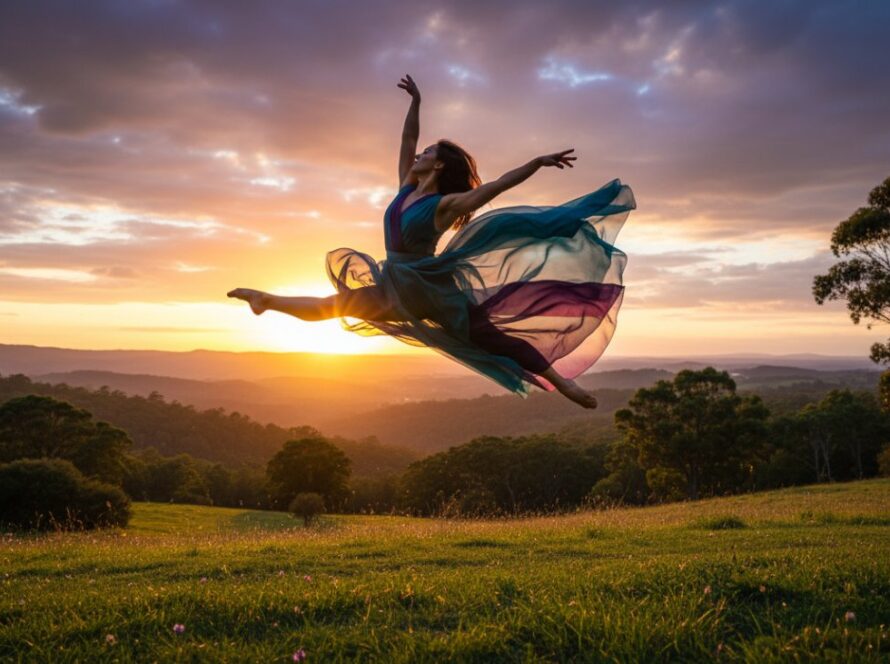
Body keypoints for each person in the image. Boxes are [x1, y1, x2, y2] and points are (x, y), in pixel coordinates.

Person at [229, 74, 635, 408]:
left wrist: (536, 163)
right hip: (394, 283)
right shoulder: (406, 188)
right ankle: (266, 301)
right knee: (332, 306)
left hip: (430, 288)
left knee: (493, 339)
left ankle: (562, 383)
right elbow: (407, 141)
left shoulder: (444, 205)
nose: (418, 155)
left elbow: (494, 186)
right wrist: (416, 103)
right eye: (421, 153)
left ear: (438, 165)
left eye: (427, 153)